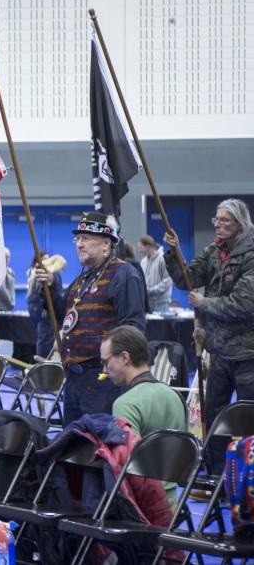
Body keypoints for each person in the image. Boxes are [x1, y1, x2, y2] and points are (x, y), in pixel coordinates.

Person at [165, 198, 254, 474]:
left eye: (224, 220)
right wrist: (173, 253)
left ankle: (248, 478)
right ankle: (217, 475)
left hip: (247, 354)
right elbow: (186, 280)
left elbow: (243, 304)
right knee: (214, 415)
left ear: (240, 224)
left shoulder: (251, 255)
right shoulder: (213, 251)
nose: (218, 225)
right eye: (216, 220)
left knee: (247, 418)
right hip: (218, 351)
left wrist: (204, 303)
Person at [34, 211, 146, 425]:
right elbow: (64, 317)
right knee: (73, 442)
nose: (79, 244)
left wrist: (113, 366)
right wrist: (49, 288)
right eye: (77, 239)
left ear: (106, 244)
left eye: (85, 238)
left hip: (103, 378)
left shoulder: (124, 274)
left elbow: (133, 328)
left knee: (96, 443)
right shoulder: (82, 279)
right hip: (74, 377)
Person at [103, 324, 187, 501]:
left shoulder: (125, 403)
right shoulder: (176, 396)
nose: (104, 370)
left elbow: (124, 467)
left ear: (125, 357)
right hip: (174, 505)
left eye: (106, 361)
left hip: (141, 506)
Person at [26, 252, 65, 360]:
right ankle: (43, 365)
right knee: (45, 338)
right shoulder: (47, 273)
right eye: (45, 259)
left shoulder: (34, 272)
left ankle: (42, 363)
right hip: (44, 310)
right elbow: (49, 293)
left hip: (39, 308)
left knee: (43, 337)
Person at [138, 234, 173, 312]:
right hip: (147, 303)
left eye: (141, 247)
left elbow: (167, 282)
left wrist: (150, 291)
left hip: (161, 304)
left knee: (160, 324)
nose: (139, 250)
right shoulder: (143, 262)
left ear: (148, 246)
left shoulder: (163, 259)